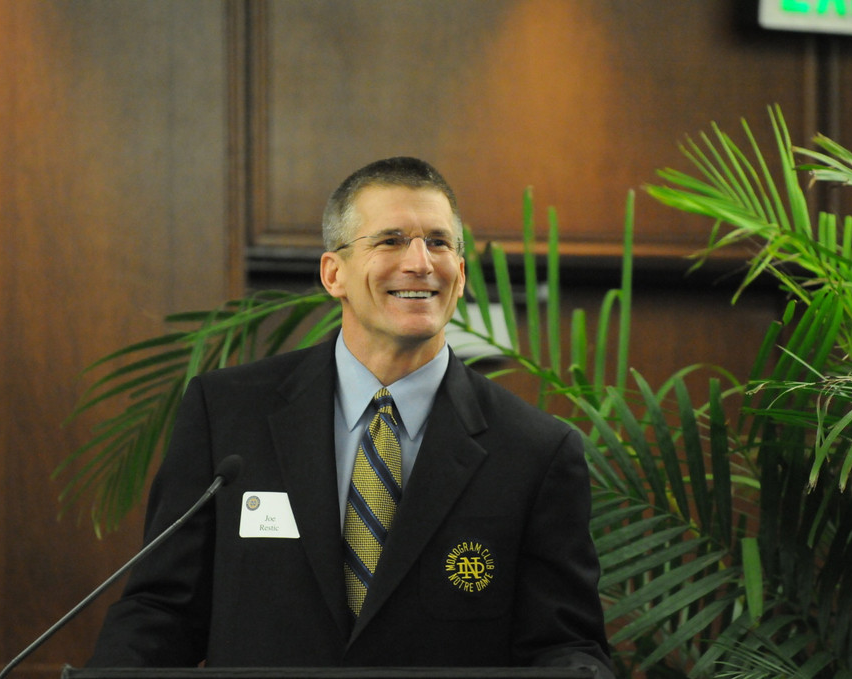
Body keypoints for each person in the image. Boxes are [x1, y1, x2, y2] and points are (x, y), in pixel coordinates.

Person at [87, 157, 615, 677]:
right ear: (333, 274)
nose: (420, 262)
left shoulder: (536, 451)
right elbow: (163, 610)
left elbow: (564, 644)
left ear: (459, 275)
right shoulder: (226, 414)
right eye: (390, 240)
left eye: (438, 242)